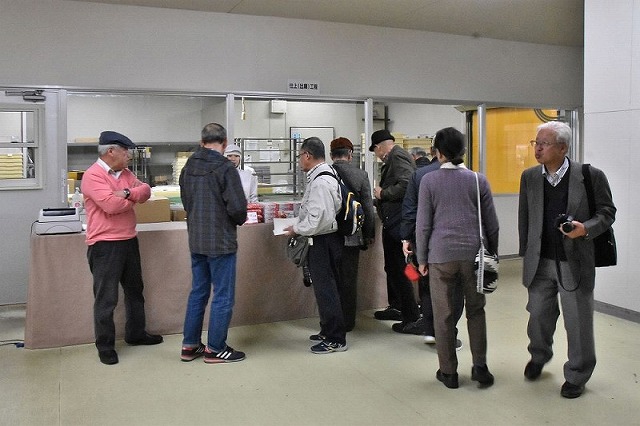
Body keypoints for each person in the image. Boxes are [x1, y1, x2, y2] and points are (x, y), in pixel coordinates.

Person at [518, 121, 616, 398]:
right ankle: (539, 355)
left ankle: (577, 374)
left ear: (562, 148)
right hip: (540, 262)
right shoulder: (530, 177)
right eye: (536, 143)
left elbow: (607, 212)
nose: (537, 149)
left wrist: (586, 228)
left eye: (544, 144)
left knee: (578, 321)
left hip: (575, 262)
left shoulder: (589, 176)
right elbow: (525, 217)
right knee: (538, 315)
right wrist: (526, 254)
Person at [415, 127, 499, 389]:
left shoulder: (429, 181)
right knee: (476, 311)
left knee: (443, 315)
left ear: (438, 153)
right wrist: (492, 253)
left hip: (440, 256)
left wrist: (421, 258)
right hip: (474, 255)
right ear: (463, 151)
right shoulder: (478, 180)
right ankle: (480, 367)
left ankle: (449, 372)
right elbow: (492, 224)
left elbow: (423, 225)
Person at [81, 131, 163, 365]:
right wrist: (132, 198)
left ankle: (136, 334)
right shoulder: (93, 176)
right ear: (111, 151)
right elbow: (111, 206)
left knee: (135, 291)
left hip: (129, 239)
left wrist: (127, 193)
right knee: (106, 298)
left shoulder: (126, 174)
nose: (129, 156)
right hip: (104, 244)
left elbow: (146, 191)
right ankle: (105, 346)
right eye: (125, 151)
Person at [179, 123, 248, 364]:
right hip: (221, 241)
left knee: (198, 292)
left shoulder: (188, 167)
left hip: (196, 239)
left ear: (201, 142)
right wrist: (237, 219)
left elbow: (186, 202)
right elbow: (238, 208)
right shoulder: (225, 168)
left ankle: (190, 345)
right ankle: (216, 348)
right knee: (223, 295)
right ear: (225, 143)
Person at [284, 137, 346, 354]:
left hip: (322, 240)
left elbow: (319, 219)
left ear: (307, 155)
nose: (299, 160)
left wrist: (297, 228)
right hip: (326, 239)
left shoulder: (320, 181)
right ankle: (327, 330)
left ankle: (335, 339)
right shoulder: (326, 174)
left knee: (326, 289)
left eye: (300, 156)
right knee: (324, 288)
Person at [400, 144, 465, 350]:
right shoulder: (469, 176)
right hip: (458, 244)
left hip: (426, 242)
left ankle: (432, 331)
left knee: (428, 287)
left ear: (434, 151)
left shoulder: (420, 175)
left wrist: (407, 238)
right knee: (455, 290)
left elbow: (409, 211)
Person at [370, 129, 421, 329]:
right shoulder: (396, 157)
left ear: (379, 147)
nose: (377, 155)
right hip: (393, 222)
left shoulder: (397, 155)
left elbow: (407, 183)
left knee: (400, 269)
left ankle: (411, 315)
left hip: (398, 223)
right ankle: (398, 306)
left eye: (375, 151)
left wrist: (383, 194)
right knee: (392, 267)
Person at [329, 137, 375, 332]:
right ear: (350, 154)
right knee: (349, 280)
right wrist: (369, 234)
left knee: (330, 279)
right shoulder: (361, 175)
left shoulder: (325, 173)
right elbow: (368, 208)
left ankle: (331, 320)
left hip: (329, 235)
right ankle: (348, 321)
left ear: (331, 155)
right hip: (352, 235)